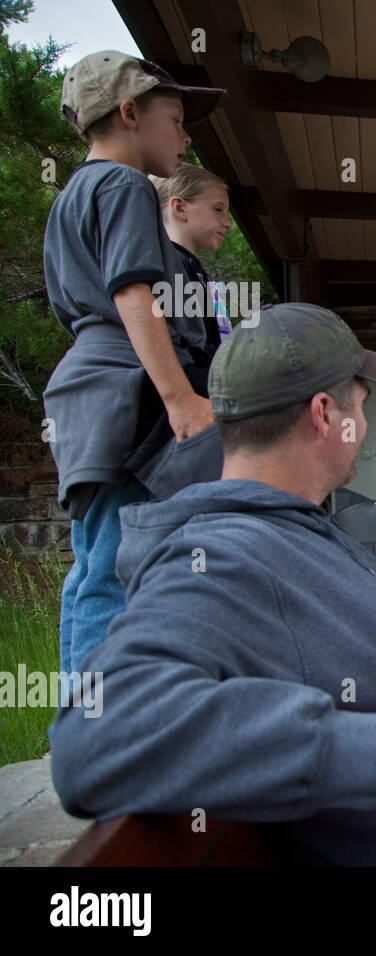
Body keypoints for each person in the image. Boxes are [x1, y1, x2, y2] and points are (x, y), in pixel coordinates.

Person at [50, 304, 376, 866]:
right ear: (324, 414)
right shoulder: (223, 556)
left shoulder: (296, 527)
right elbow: (99, 733)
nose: (366, 425)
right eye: (364, 406)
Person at [43, 51, 224, 676]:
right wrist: (181, 398)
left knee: (93, 564)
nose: (184, 134)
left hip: (88, 386)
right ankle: (107, 743)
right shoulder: (122, 185)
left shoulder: (73, 194)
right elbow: (131, 296)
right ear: (128, 113)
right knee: (119, 570)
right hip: (127, 387)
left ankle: (83, 729)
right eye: (174, 118)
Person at [148, 162, 236, 355]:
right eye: (218, 209)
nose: (228, 223)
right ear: (180, 207)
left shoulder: (190, 268)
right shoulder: (164, 267)